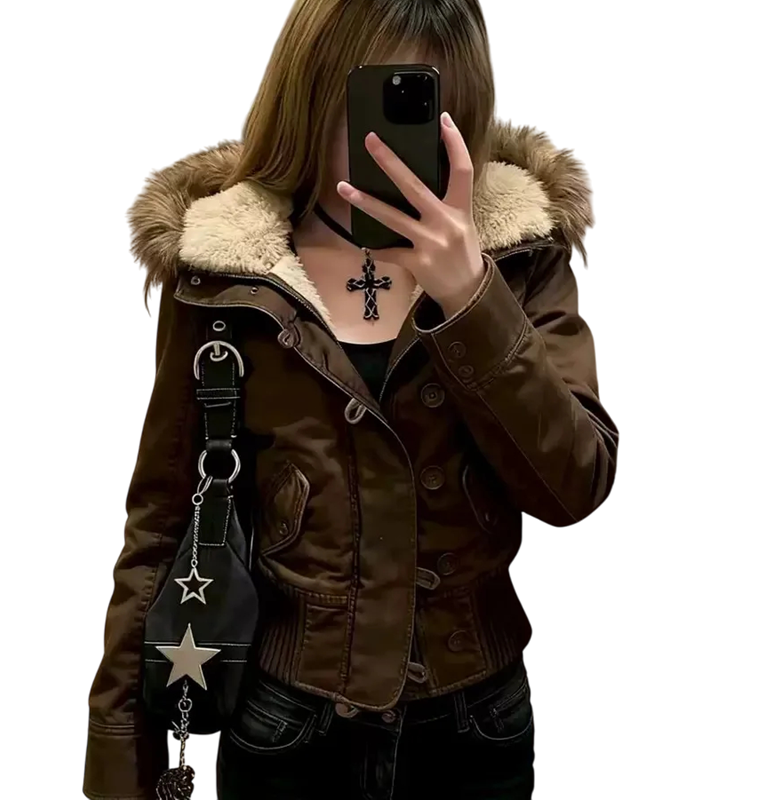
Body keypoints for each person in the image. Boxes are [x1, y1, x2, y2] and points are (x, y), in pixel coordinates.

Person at [82, 1, 619, 798]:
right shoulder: (226, 276)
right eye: (374, 93)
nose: (393, 134)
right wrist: (121, 760)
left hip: (475, 727)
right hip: (286, 727)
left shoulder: (518, 256)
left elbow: (575, 482)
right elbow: (161, 521)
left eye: (424, 98)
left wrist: (471, 297)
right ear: (312, 84)